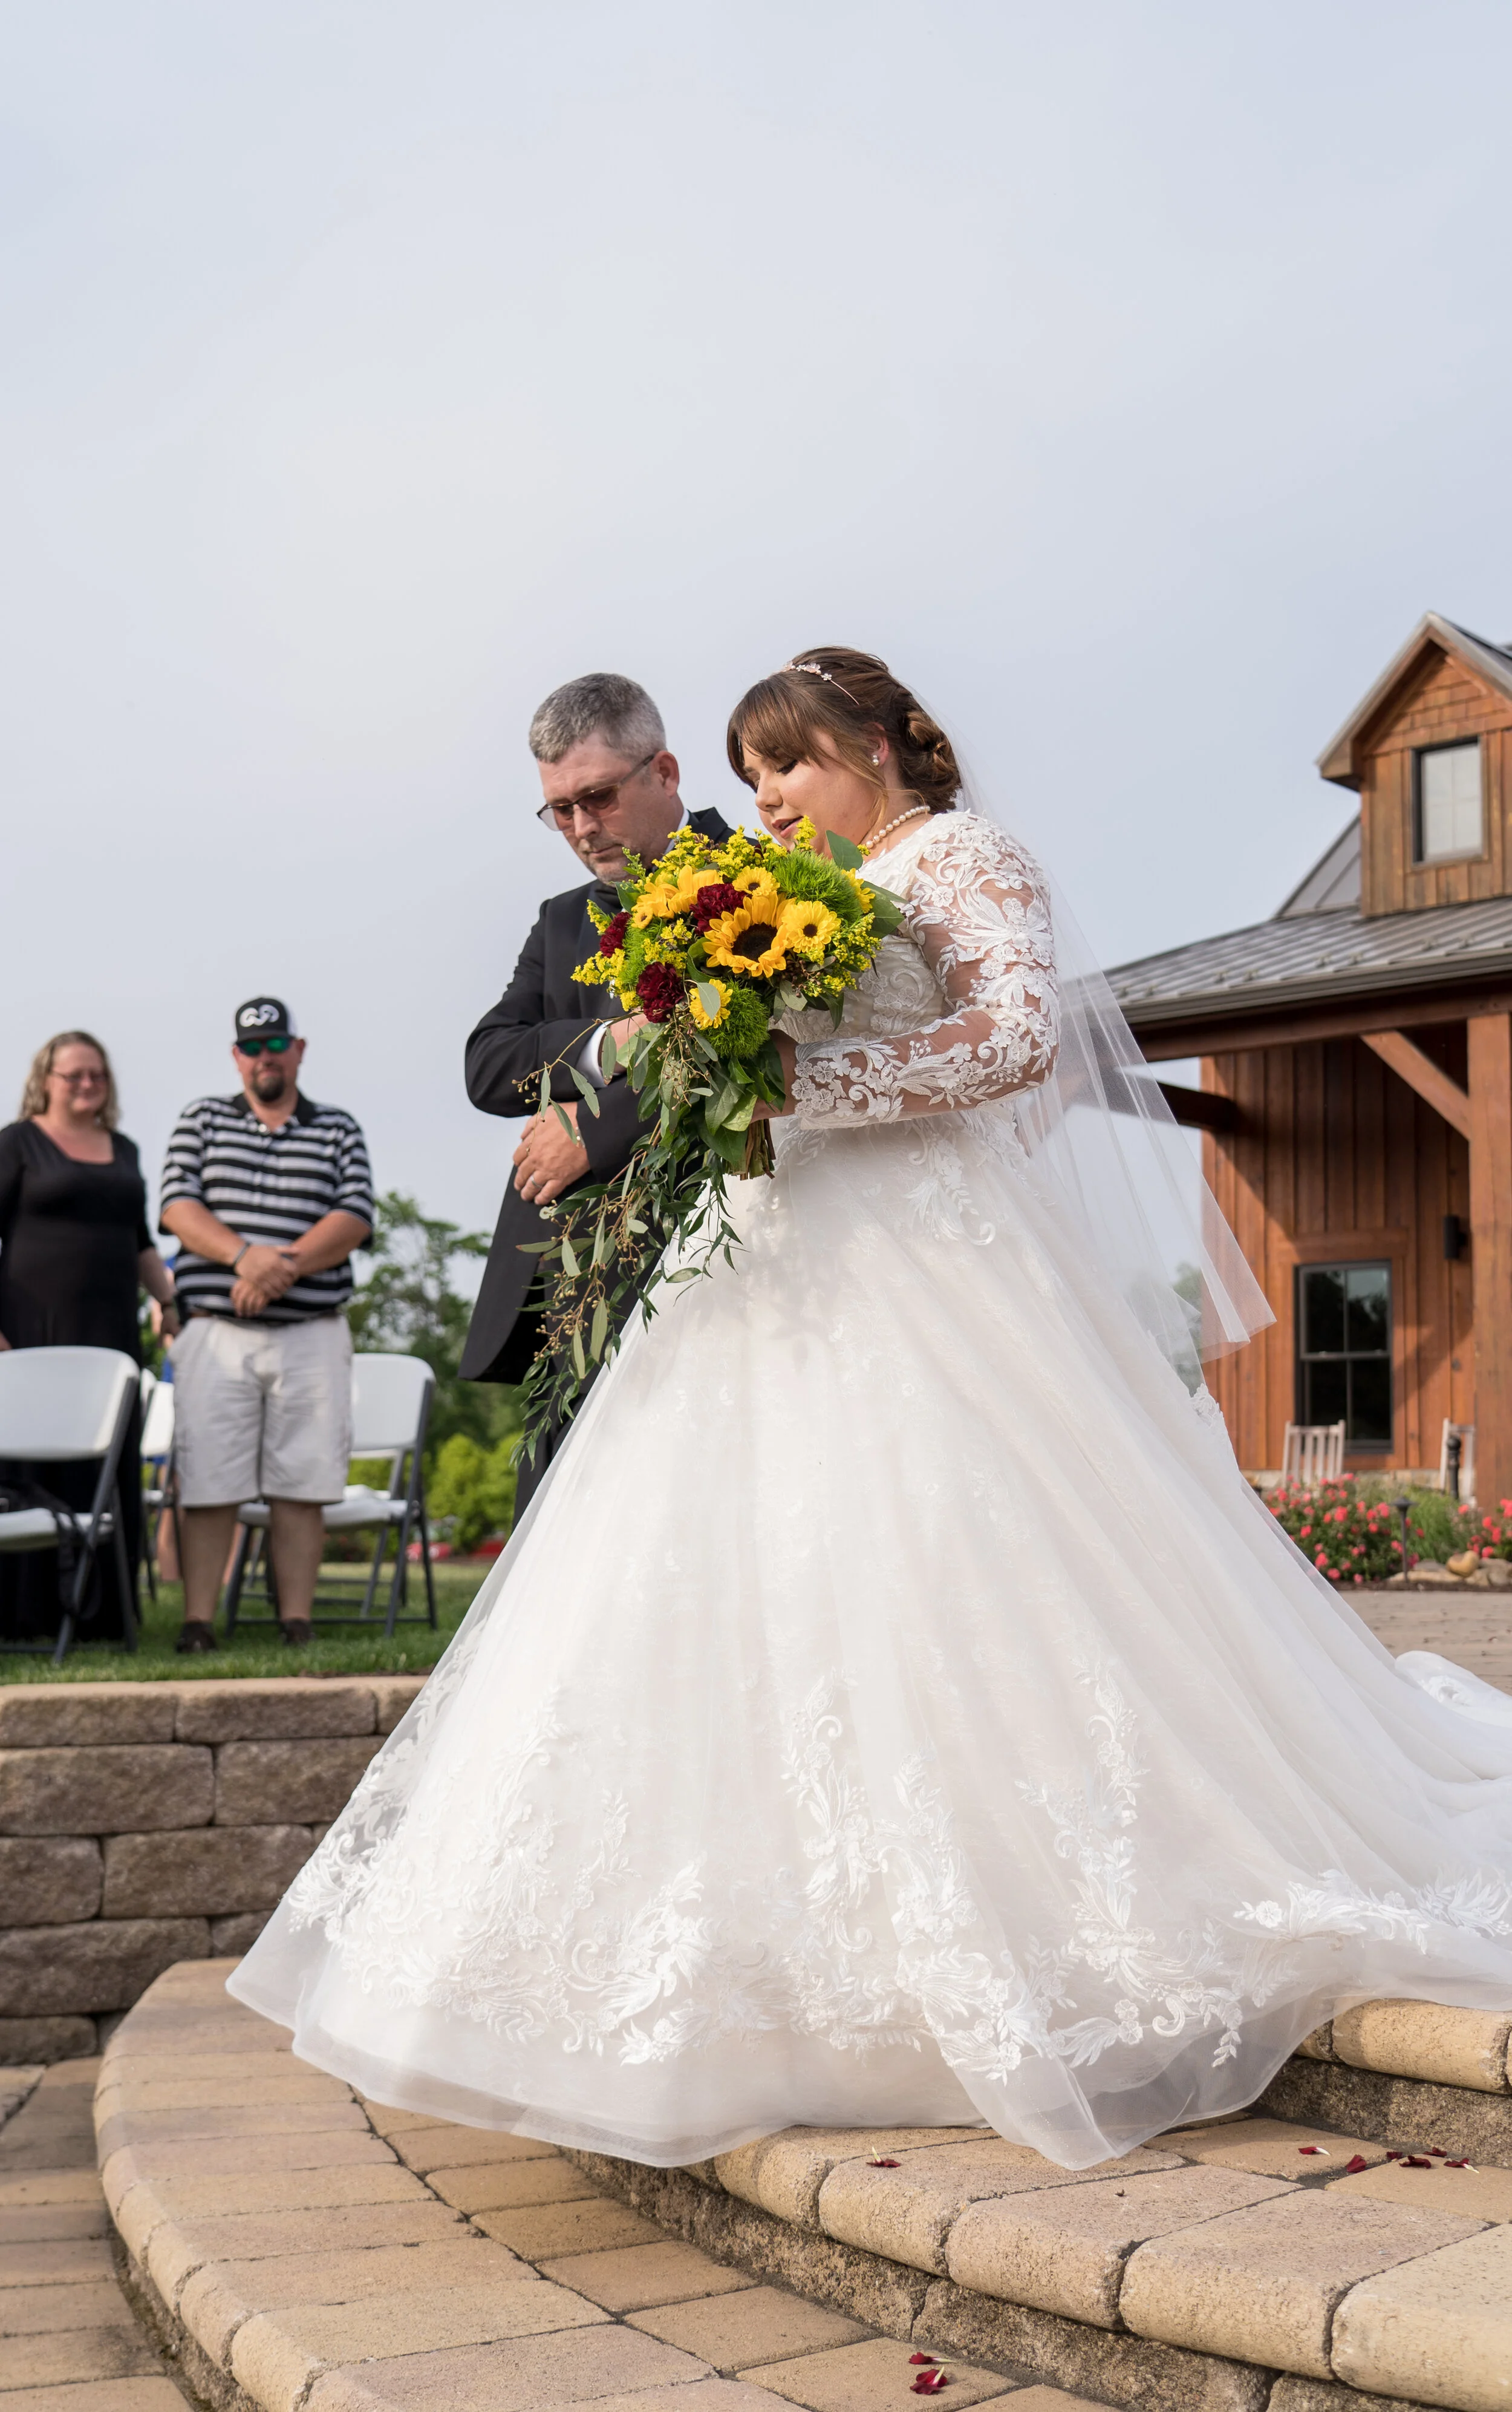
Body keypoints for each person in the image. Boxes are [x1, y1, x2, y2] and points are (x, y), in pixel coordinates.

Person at [235, 650, 1512, 2177]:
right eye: (754, 772)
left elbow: (1014, 1042)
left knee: (955, 1548)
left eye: (787, 764)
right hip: (773, 1261)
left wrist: (795, 1079)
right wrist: (701, 1048)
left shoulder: (963, 855)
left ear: (874, 745)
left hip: (930, 1255)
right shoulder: (778, 879)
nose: (766, 797)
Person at [460, 672, 730, 1512]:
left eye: (599, 797)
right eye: (560, 809)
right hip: (576, 1265)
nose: (580, 828)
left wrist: (597, 1125)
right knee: (565, 1507)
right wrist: (610, 1044)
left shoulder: (760, 881)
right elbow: (487, 1064)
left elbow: (749, 1050)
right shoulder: (561, 918)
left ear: (666, 772)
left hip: (718, 1242)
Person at [158, 999, 373, 1653]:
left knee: (302, 1481)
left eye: (276, 1042)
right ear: (236, 1056)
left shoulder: (337, 1127)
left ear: (299, 1049)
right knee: (207, 1480)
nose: (265, 1055)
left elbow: (355, 1215)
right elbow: (176, 1206)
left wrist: (280, 1268)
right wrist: (243, 1258)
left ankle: (296, 1622)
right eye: (252, 1046)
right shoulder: (201, 1119)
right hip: (214, 1333)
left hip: (311, 1328)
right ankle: (198, 1622)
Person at [0, 1031, 178, 1644]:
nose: (86, 1084)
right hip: (28, 1339)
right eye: (73, 1074)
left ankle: (102, 1618)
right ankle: (25, 1617)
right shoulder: (16, 1143)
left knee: (108, 1465)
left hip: (110, 1343)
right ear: (44, 1080)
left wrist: (169, 1301)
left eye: (96, 1074)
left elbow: (140, 1243)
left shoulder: (124, 1150)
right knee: (31, 1469)